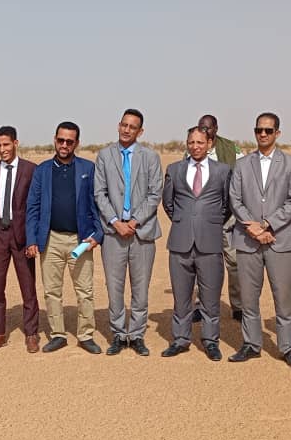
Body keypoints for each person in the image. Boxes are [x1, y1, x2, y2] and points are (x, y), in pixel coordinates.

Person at [228, 112, 291, 369]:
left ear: (277, 133)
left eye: (268, 130)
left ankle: (287, 347)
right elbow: (235, 199)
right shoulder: (242, 164)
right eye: (259, 130)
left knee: (283, 299)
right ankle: (251, 344)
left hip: (280, 240)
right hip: (247, 240)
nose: (263, 134)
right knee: (249, 299)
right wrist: (253, 227)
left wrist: (267, 224)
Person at [26, 121, 104, 354]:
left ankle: (86, 335)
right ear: (55, 140)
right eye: (61, 140)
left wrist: (98, 235)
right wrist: (32, 239)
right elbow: (33, 207)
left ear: (76, 143)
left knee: (85, 291)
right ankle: (58, 334)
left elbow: (97, 205)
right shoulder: (42, 171)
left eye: (69, 141)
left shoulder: (88, 169)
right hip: (51, 240)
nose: (64, 145)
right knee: (52, 291)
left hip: (80, 241)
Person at [94, 108, 162, 356]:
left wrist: (133, 222)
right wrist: (115, 221)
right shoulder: (104, 156)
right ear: (118, 125)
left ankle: (136, 335)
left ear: (140, 131)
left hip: (141, 233)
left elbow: (155, 194)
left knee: (140, 289)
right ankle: (118, 334)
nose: (126, 130)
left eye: (132, 127)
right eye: (124, 125)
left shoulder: (150, 157)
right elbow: (99, 193)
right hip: (113, 233)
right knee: (115, 288)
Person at [161, 126, 231, 361]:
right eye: (191, 142)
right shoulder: (174, 170)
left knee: (210, 298)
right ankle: (180, 339)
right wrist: (184, 222)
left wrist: (208, 222)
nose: (195, 146)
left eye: (200, 142)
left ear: (209, 144)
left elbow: (227, 205)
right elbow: (168, 203)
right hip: (180, 243)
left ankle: (211, 341)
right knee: (181, 297)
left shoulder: (223, 171)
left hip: (210, 243)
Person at [0, 126, 39, 352]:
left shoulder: (30, 169)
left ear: (16, 143)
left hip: (21, 235)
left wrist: (32, 239)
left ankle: (31, 334)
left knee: (28, 287)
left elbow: (34, 207)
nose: (2, 149)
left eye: (6, 144)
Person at [193, 114, 245, 322]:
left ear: (216, 129)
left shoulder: (232, 149)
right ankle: (201, 305)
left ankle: (238, 306)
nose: (204, 131)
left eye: (208, 128)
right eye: (201, 127)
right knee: (201, 263)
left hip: (229, 216)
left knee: (234, 261)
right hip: (203, 218)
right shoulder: (194, 147)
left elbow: (242, 175)